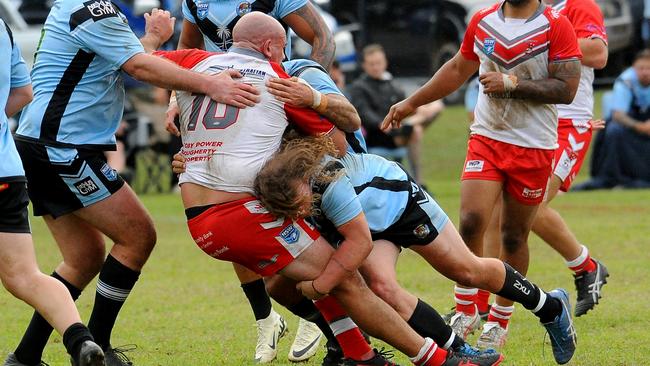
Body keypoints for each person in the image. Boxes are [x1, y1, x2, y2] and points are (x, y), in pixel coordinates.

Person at [159, 12, 502, 366]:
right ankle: (436, 359)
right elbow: (343, 133)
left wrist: (162, 52)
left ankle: (356, 352)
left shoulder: (200, 64)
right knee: (349, 281)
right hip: (240, 211)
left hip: (200, 219)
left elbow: (140, 64)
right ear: (271, 47)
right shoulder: (280, 81)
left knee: (298, 282)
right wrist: (312, 101)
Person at [6, 2, 259, 365]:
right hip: (62, 147)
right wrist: (211, 85)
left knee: (82, 258)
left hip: (45, 143)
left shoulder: (79, 6)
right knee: (138, 235)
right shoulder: (91, 8)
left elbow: (122, 58)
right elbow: (137, 66)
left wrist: (152, 40)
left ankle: (26, 356)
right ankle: (99, 349)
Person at [254, 134, 581, 366]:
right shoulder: (281, 187)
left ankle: (550, 307)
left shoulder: (328, 184)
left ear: (301, 185)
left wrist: (320, 286)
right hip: (365, 222)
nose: (294, 213)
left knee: (467, 270)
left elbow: (359, 243)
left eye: (296, 206)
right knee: (382, 289)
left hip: (397, 202)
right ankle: (461, 351)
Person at [381, 0, 582, 363]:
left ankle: (499, 323)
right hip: (487, 138)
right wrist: (412, 103)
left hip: (533, 146)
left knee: (513, 236)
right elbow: (459, 67)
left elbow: (567, 88)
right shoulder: (484, 20)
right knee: (471, 221)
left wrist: (513, 84)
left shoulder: (555, 25)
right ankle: (466, 308)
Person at [165, 1, 336, 361]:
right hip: (216, 100)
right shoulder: (194, 2)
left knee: (291, 202)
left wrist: (306, 82)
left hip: (268, 97)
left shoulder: (274, 15)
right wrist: (176, 96)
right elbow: (185, 49)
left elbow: (321, 36)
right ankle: (268, 319)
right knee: (233, 208)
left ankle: (322, 311)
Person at [466, 0, 610, 349]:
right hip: (522, 122)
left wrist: (539, 41)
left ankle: (585, 265)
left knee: (530, 210)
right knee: (492, 214)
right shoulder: (511, 13)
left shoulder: (576, 6)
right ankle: (479, 305)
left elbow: (599, 54)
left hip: (566, 123)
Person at [0, 18, 105, 366]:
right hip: (6, 170)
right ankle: (80, 340)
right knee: (25, 275)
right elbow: (23, 93)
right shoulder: (3, 26)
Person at [348, 44, 443, 185]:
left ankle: (414, 123)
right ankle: (418, 182)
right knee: (415, 130)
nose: (375, 67)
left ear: (385, 62)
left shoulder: (392, 85)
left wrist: (418, 110)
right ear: (364, 65)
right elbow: (363, 112)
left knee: (436, 106)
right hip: (377, 134)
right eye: (371, 64)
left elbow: (404, 107)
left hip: (398, 127)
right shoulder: (359, 87)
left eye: (378, 63)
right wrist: (380, 123)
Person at [577, 50, 650, 189]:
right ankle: (614, 178)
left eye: (648, 68)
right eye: (641, 68)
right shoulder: (626, 81)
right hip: (630, 126)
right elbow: (618, 115)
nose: (645, 72)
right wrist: (640, 127)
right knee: (614, 130)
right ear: (634, 68)